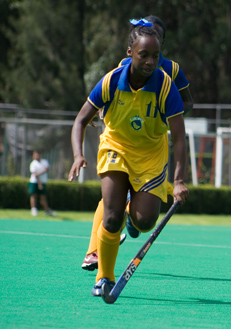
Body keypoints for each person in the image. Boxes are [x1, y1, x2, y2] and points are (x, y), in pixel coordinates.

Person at [68, 20, 189, 296]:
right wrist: (78, 155)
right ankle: (104, 277)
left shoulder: (165, 86)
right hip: (116, 149)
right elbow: (80, 120)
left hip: (150, 157)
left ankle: (133, 220)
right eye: (143, 55)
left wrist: (179, 180)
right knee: (110, 217)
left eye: (155, 56)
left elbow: (180, 138)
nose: (150, 62)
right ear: (130, 52)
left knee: (145, 221)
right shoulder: (111, 80)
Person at [28, 150, 56, 217]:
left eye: (37, 154)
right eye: (35, 155)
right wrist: (39, 183)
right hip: (34, 182)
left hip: (43, 181)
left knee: (43, 196)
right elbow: (35, 174)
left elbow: (45, 169)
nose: (36, 156)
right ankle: (34, 209)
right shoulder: (33, 163)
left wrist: (39, 173)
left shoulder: (45, 161)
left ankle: (47, 210)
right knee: (33, 196)